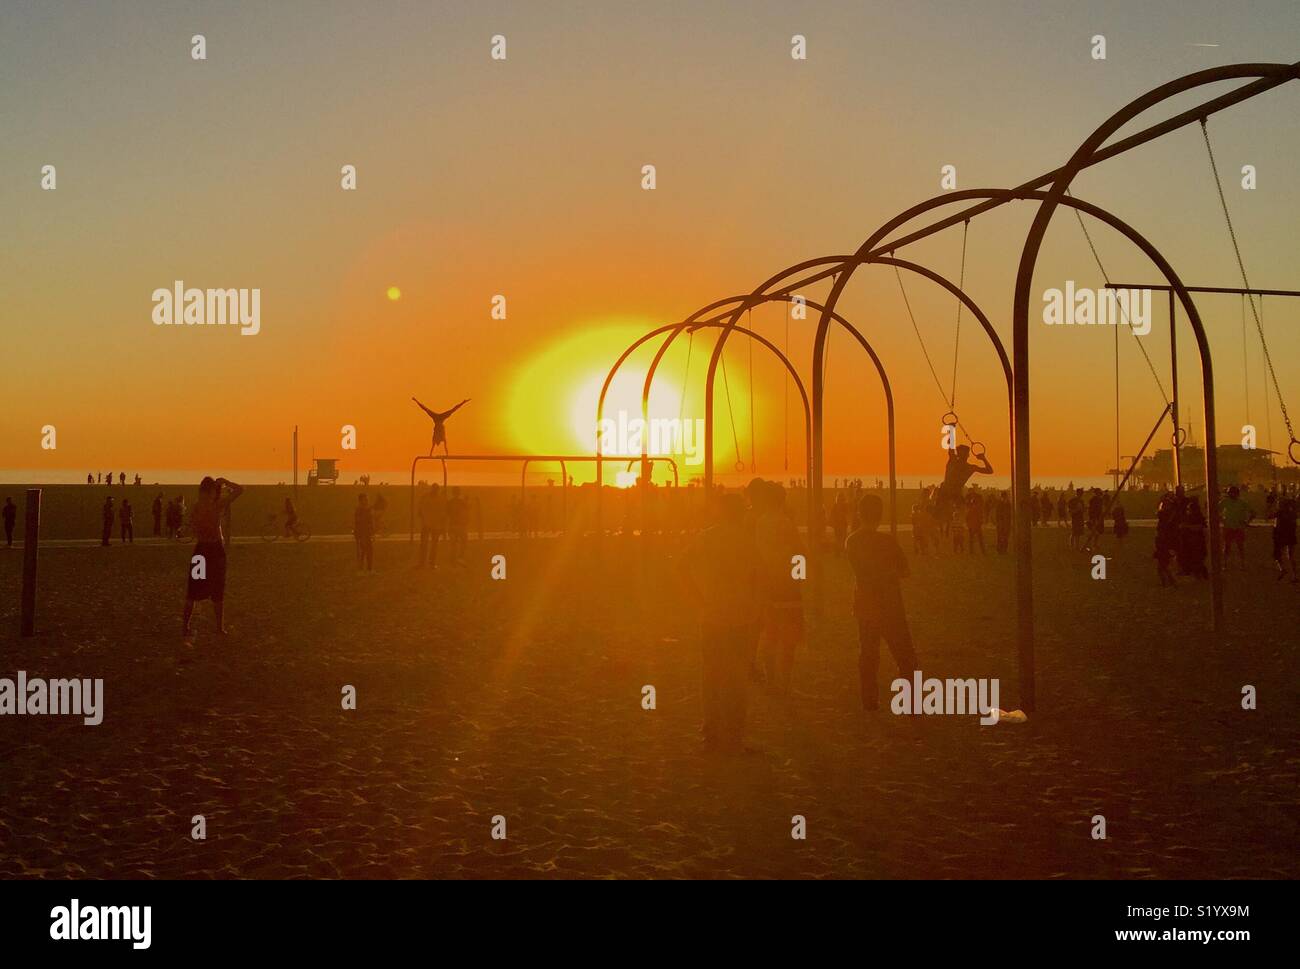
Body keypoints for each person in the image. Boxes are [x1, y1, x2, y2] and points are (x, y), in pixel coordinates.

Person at [685, 494, 759, 754]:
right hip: (738, 616)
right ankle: (734, 736)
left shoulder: (706, 537)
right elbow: (758, 579)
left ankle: (712, 732)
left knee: (712, 675)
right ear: (739, 512)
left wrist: (697, 598)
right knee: (736, 678)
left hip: (712, 613)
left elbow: (679, 567)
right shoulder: (748, 541)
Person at [846, 494, 918, 712]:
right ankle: (911, 702)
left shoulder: (852, 540)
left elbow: (859, 569)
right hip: (890, 603)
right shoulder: (888, 541)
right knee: (904, 655)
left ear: (860, 513)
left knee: (868, 654)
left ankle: (869, 700)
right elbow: (904, 571)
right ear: (880, 515)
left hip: (866, 603)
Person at [752, 481, 804, 698]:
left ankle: (771, 679)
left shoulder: (760, 523)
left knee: (770, 635)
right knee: (788, 637)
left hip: (766, 584)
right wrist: (799, 577)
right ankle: (784, 683)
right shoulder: (785, 523)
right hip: (786, 586)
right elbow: (799, 552)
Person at [182, 476, 243, 643]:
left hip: (200, 550)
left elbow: (193, 527)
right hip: (214, 550)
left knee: (193, 590)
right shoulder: (216, 505)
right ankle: (218, 627)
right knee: (217, 590)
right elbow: (240, 490)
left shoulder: (196, 507)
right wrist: (225, 482)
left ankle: (186, 626)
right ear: (210, 491)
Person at [1219, 485, 1252, 569]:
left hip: (1238, 527)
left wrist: (1247, 522)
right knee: (1227, 546)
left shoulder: (1242, 503)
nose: (1232, 494)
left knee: (1240, 547)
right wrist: (1222, 520)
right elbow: (1216, 510)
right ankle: (1225, 564)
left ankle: (1242, 564)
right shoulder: (1225, 501)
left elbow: (1252, 512)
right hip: (1229, 527)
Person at [417, 484, 447, 568]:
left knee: (428, 544)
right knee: (431, 544)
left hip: (430, 525)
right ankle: (429, 563)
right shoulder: (440, 499)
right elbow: (443, 514)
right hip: (432, 525)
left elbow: (420, 511)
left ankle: (425, 563)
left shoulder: (426, 497)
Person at [1180, 497, 1209, 579]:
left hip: (1198, 543)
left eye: (1189, 509)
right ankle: (1195, 574)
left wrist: (1188, 527)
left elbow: (1200, 527)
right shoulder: (1187, 517)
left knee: (1198, 560)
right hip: (1189, 543)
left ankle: (1201, 574)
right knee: (1191, 559)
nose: (1188, 511)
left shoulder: (1198, 517)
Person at [1154, 494, 1178, 587]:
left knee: (1162, 566)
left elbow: (1159, 512)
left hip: (1164, 542)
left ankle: (1167, 581)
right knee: (1163, 565)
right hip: (1163, 542)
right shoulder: (1168, 517)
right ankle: (1169, 580)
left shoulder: (1166, 519)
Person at [1273, 496, 1297, 583]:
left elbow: (1275, 524)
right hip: (1291, 536)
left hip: (1281, 536)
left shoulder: (1279, 513)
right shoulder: (1292, 514)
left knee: (1277, 555)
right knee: (1290, 556)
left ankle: (1282, 569)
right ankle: (1294, 575)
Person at [447, 487, 469, 566]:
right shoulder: (461, 502)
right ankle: (458, 558)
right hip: (459, 525)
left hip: (454, 525)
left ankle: (454, 559)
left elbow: (447, 514)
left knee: (454, 544)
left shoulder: (450, 502)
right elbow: (467, 511)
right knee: (462, 542)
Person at [354, 493, 375, 573]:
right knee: (363, 552)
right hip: (362, 534)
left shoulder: (366, 509)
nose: (367, 500)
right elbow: (360, 523)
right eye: (365, 499)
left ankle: (368, 569)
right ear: (361, 500)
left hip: (367, 534)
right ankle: (362, 569)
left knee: (368, 551)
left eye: (367, 499)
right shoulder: (359, 510)